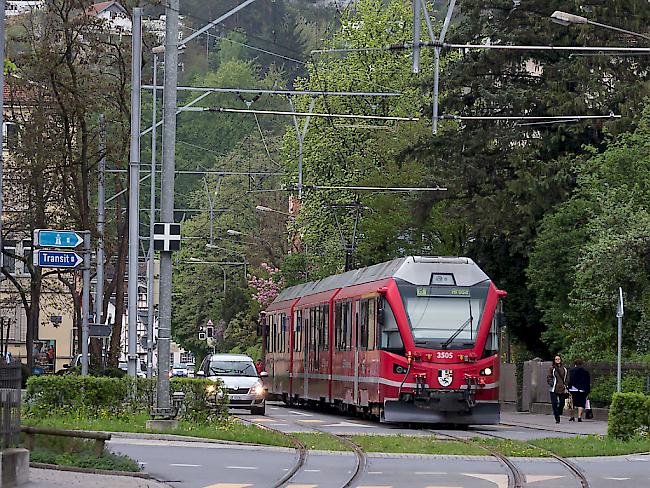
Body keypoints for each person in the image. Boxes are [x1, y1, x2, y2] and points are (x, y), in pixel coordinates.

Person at [547, 354, 569, 424]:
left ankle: (559, 412)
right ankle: (557, 418)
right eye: (556, 359)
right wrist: (551, 383)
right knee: (554, 403)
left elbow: (567, 378)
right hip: (554, 388)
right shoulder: (552, 368)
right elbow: (549, 376)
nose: (557, 360)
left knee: (562, 402)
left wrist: (566, 385)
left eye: (558, 359)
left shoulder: (564, 369)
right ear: (554, 360)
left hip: (562, 388)